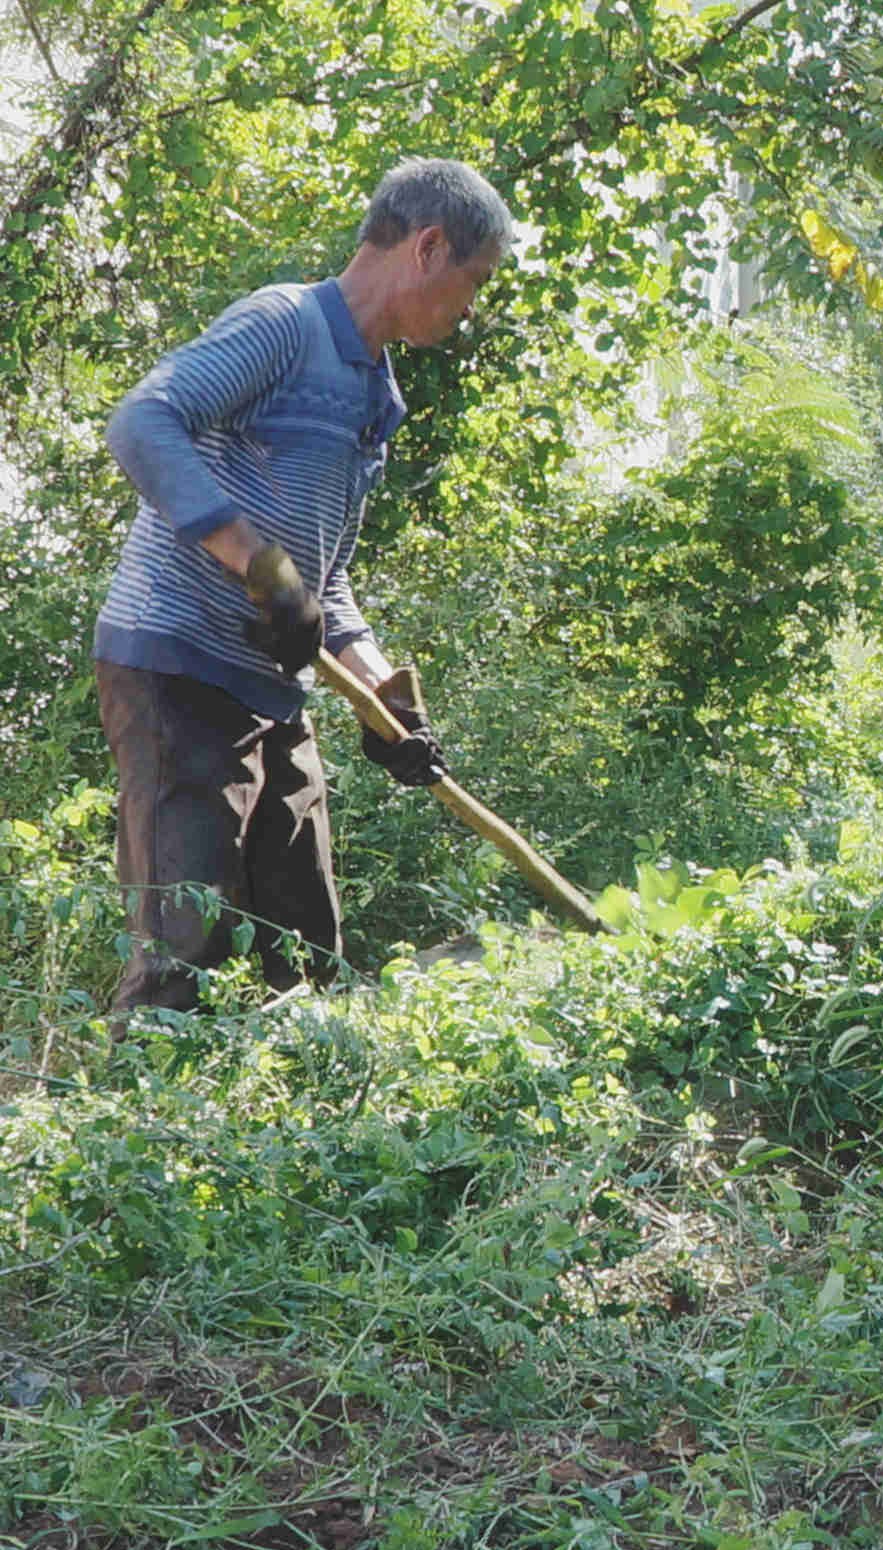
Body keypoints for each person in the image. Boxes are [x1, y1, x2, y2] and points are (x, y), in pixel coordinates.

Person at [94, 157, 512, 1019]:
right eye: (475, 282)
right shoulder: (285, 323)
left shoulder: (375, 396)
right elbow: (142, 420)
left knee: (303, 952)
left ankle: (284, 1144)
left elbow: (326, 580)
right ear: (429, 248)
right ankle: (133, 1132)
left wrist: (388, 705)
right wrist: (260, 566)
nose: (471, 309)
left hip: (272, 692)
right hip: (178, 669)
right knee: (186, 950)